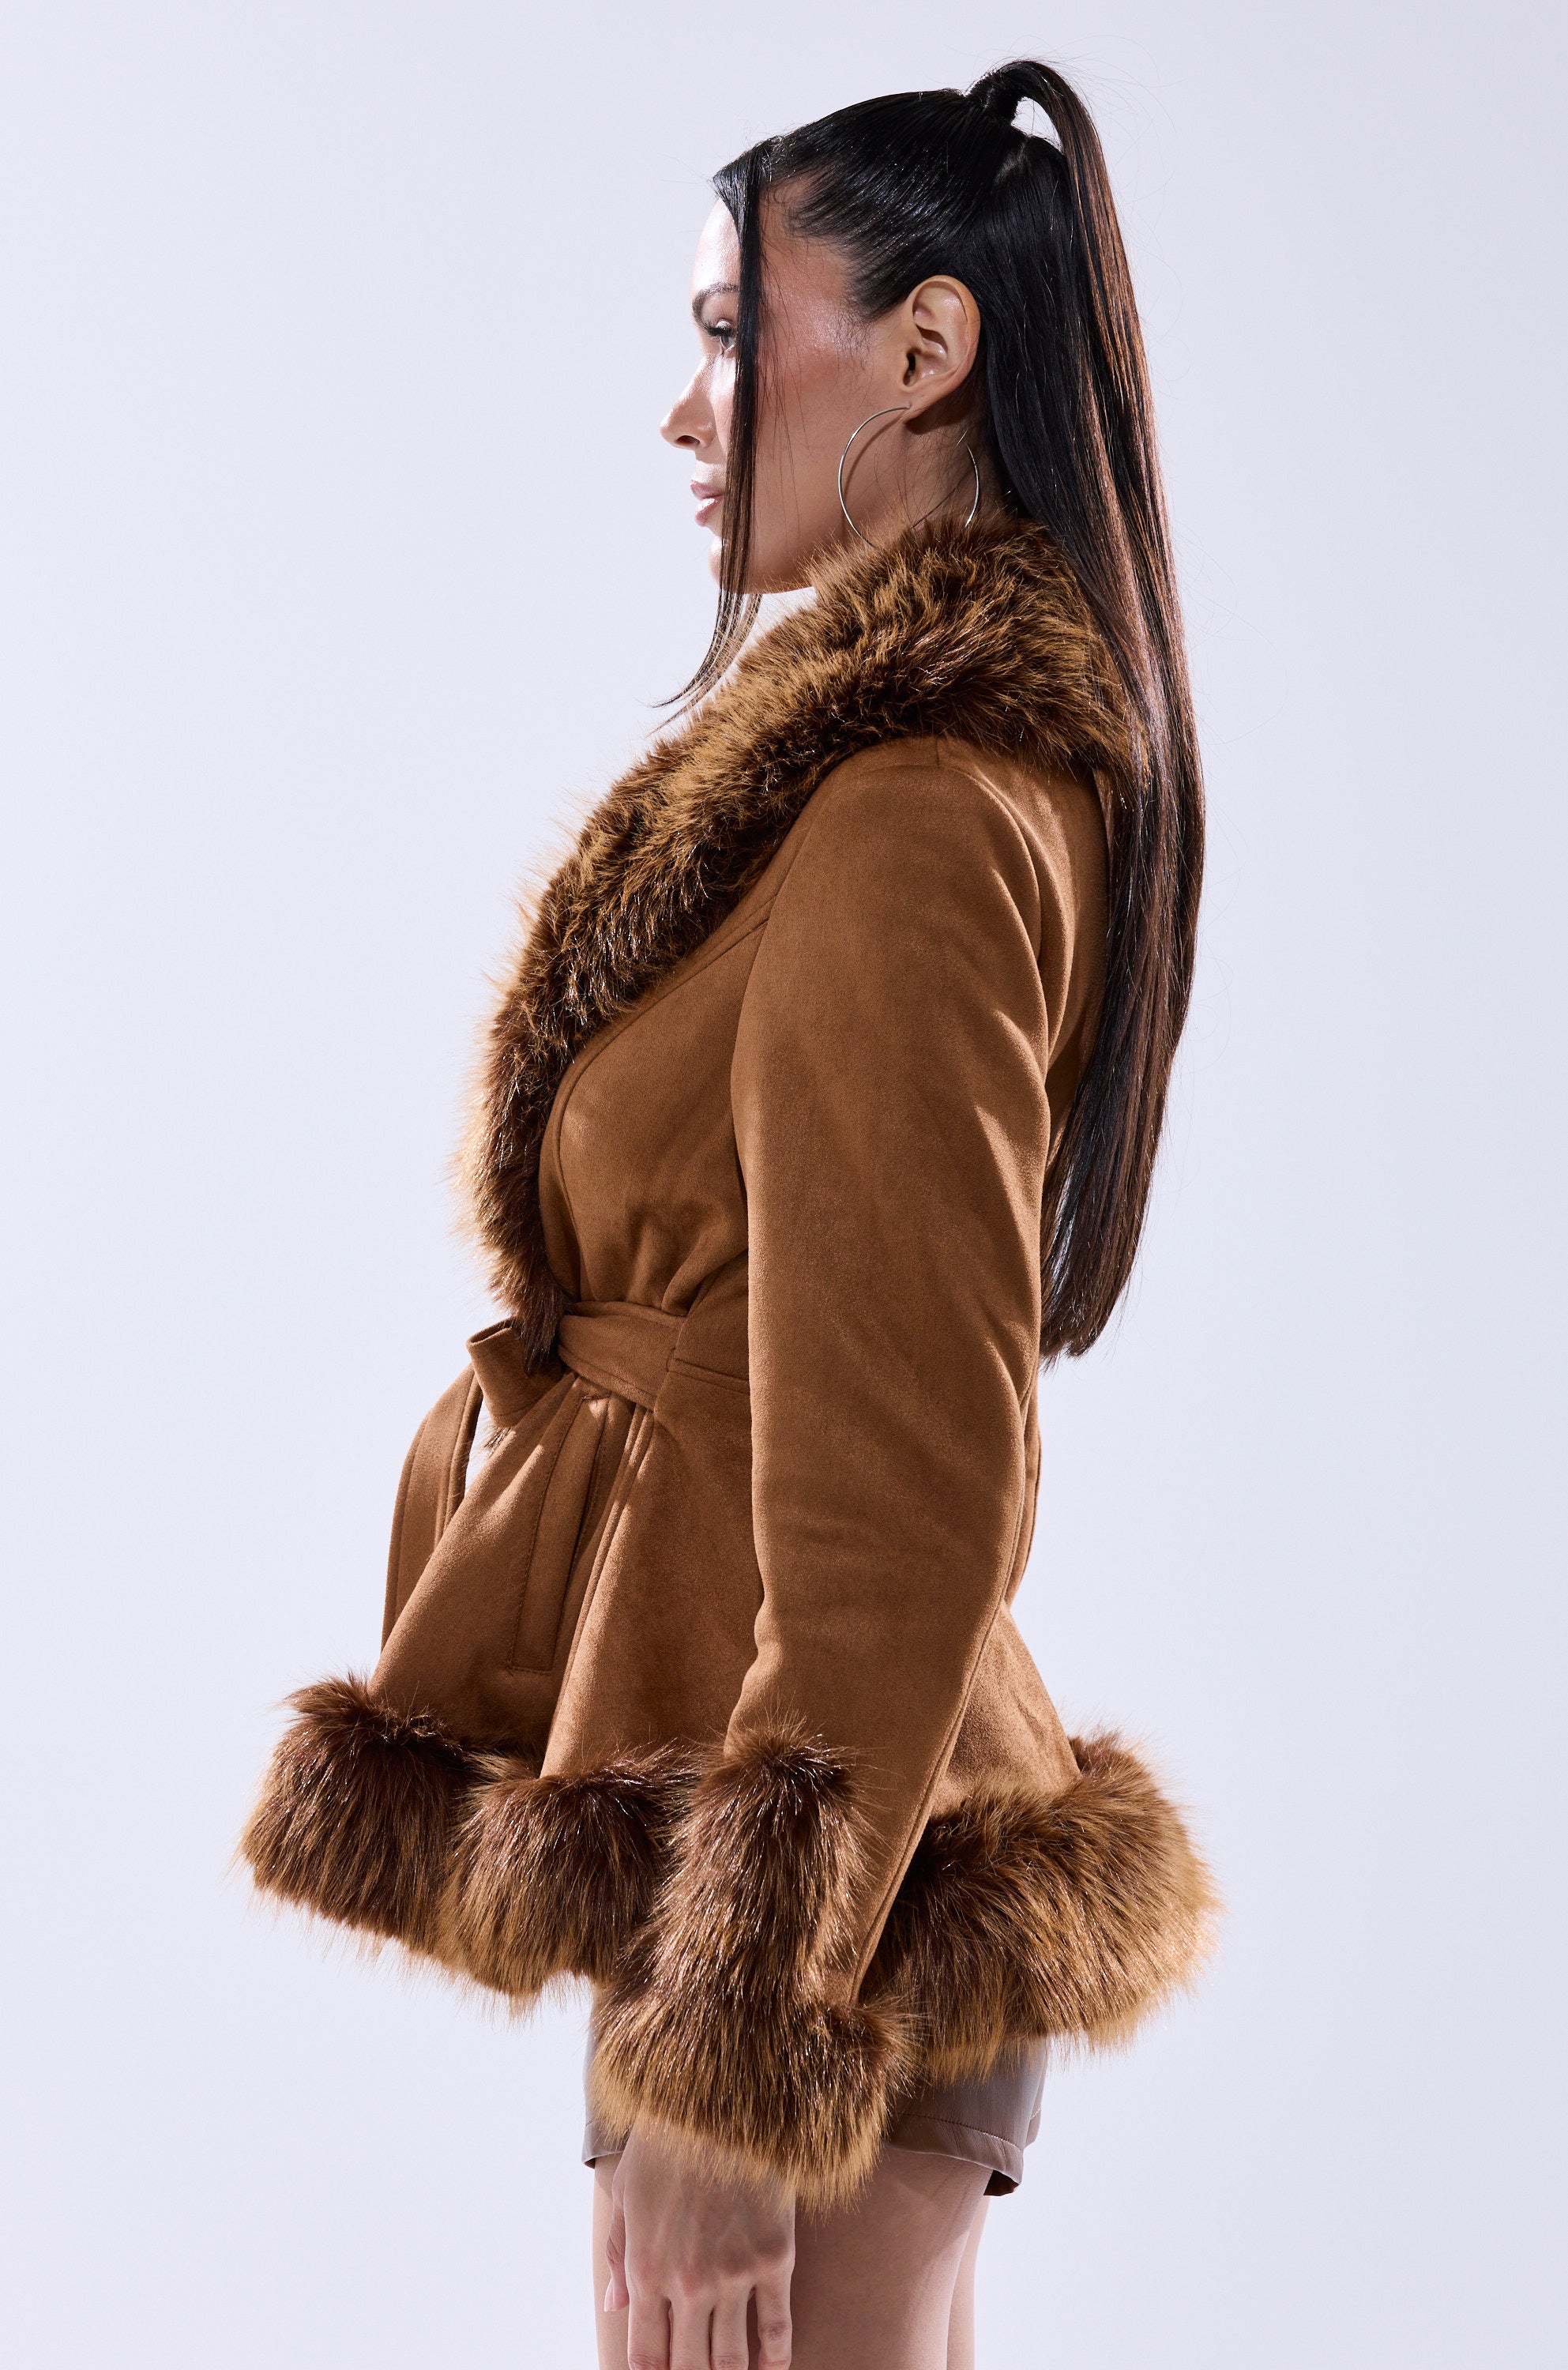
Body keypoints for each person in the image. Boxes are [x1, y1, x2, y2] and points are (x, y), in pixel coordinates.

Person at [241, 58, 1218, 2370]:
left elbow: (908, 1470)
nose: (680, 413)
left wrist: (731, 2055)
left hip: (803, 1950)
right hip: (774, 1882)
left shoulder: (905, 815)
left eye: (719, 331)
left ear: (922, 348)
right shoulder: (877, 789)